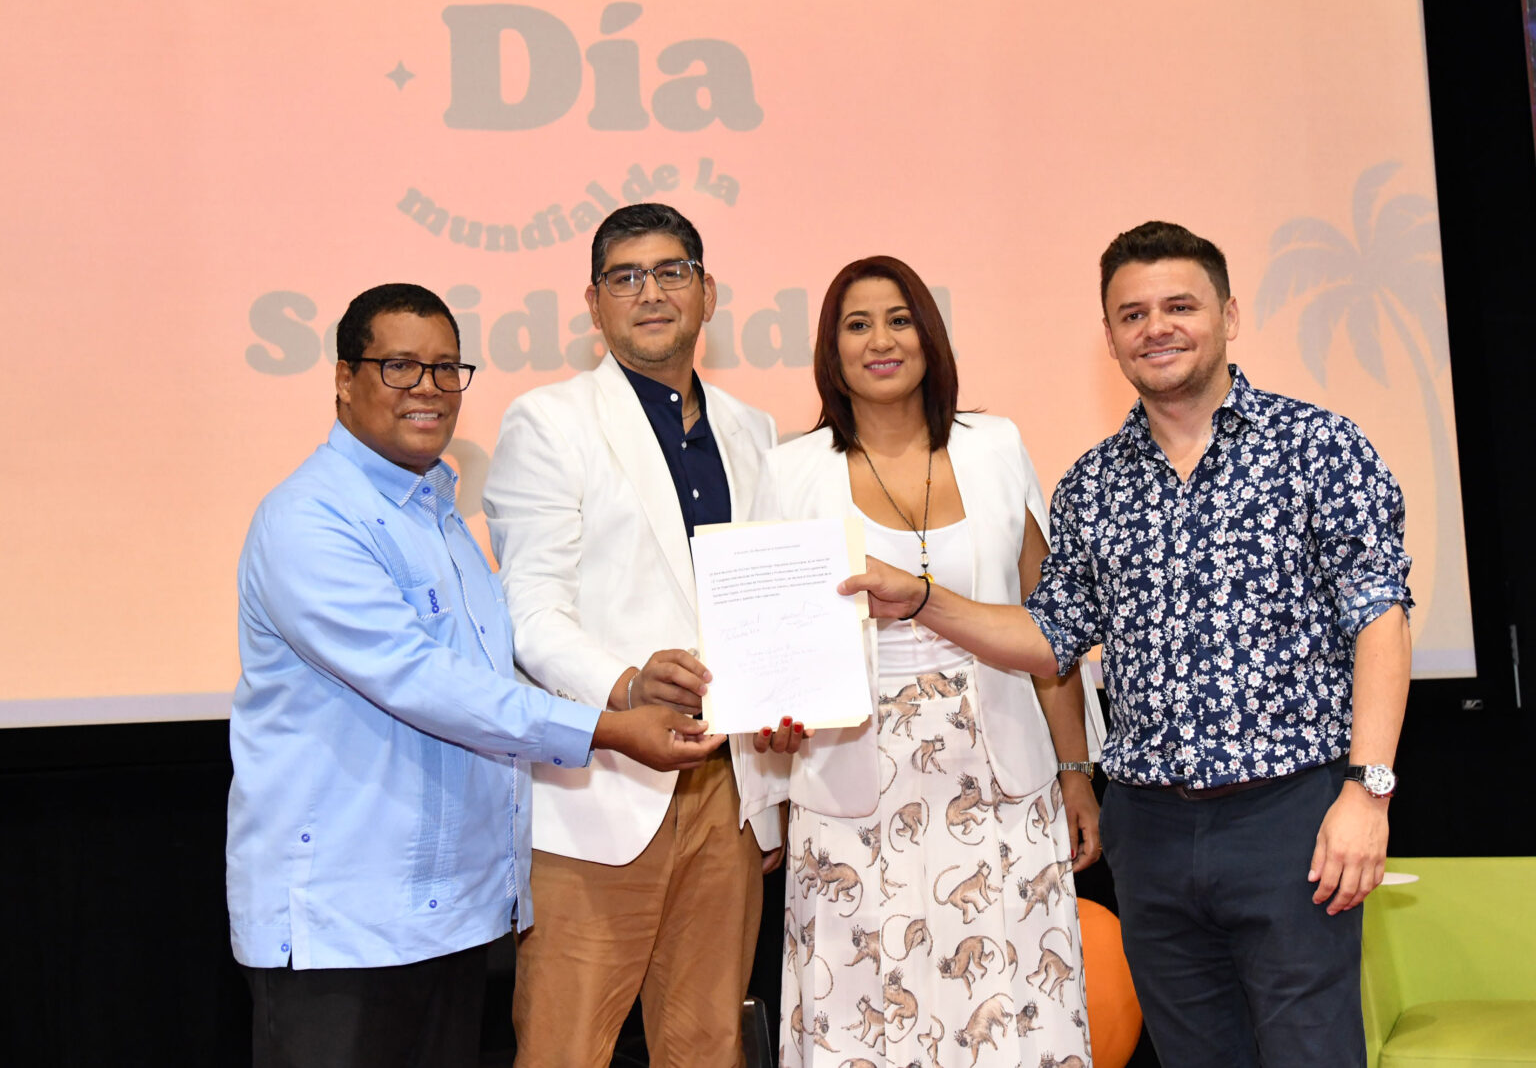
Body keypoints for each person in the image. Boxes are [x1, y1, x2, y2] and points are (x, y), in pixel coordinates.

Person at [845, 222, 1413, 1067]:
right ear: (1109, 336)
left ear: (1228, 314)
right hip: (1149, 831)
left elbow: (1381, 618)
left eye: (1180, 306)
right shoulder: (1092, 483)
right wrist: (925, 599)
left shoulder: (1318, 447)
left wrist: (1368, 791)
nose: (1157, 328)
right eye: (1133, 313)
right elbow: (1048, 637)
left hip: (1291, 817)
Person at [226, 282, 721, 1068]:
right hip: (344, 926)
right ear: (344, 378)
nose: (427, 387)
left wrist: (639, 686)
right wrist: (609, 726)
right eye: (398, 366)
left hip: (448, 920)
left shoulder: (443, 519)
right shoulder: (310, 518)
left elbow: (493, 673)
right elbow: (423, 682)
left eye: (445, 368)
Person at [743, 256, 1106, 1067]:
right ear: (831, 349)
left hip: (1002, 778)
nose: (881, 340)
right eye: (857, 324)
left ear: (929, 335)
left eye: (899, 320)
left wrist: (1077, 769)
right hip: (850, 787)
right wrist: (769, 756)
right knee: (864, 1015)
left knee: (1012, 1007)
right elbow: (771, 641)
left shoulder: (995, 445)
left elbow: (1047, 625)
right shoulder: (791, 469)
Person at [482, 204, 779, 1067]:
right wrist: (626, 686)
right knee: (565, 1049)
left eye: (671, 272)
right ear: (594, 302)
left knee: (708, 1046)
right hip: (600, 790)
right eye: (626, 277)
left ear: (707, 292)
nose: (651, 293)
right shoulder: (549, 421)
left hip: (728, 790)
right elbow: (529, 610)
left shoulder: (755, 431)